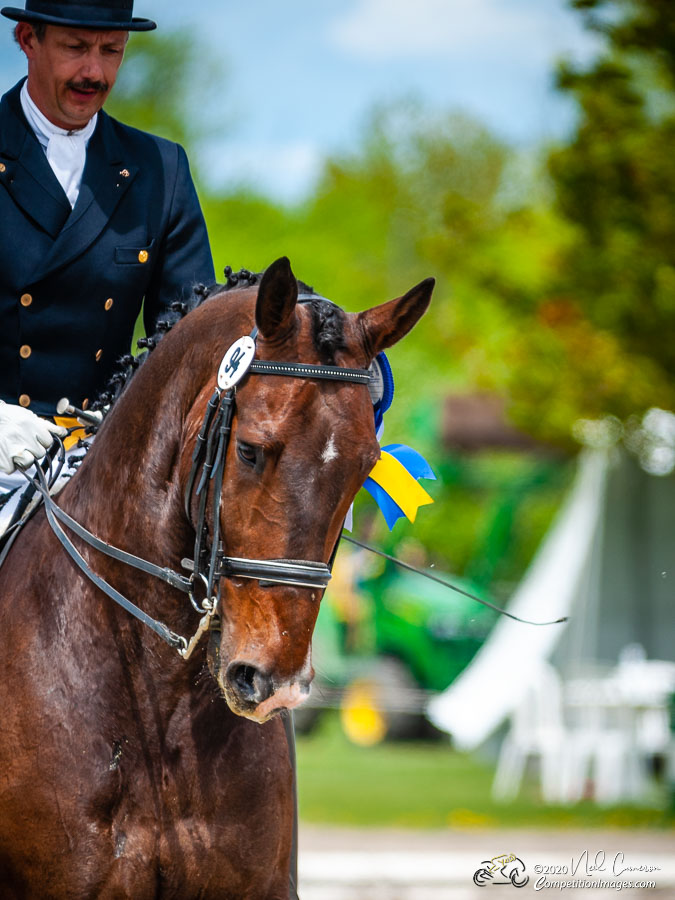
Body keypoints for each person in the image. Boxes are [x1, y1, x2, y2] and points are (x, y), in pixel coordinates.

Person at [0, 0, 215, 528]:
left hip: (101, 463)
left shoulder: (160, 169)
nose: (94, 72)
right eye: (75, 48)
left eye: (111, 51)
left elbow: (191, 342)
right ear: (28, 39)